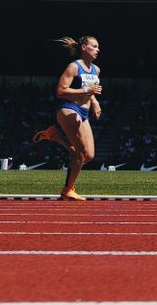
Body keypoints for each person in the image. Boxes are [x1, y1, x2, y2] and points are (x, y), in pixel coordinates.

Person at [32, 35, 103, 200]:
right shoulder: (73, 67)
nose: (98, 49)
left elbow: (90, 90)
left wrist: (95, 102)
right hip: (69, 109)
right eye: (94, 46)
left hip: (84, 113)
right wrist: (87, 92)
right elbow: (61, 91)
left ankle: (55, 136)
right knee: (80, 154)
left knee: (88, 156)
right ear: (84, 48)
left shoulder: (96, 69)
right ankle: (68, 189)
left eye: (98, 47)